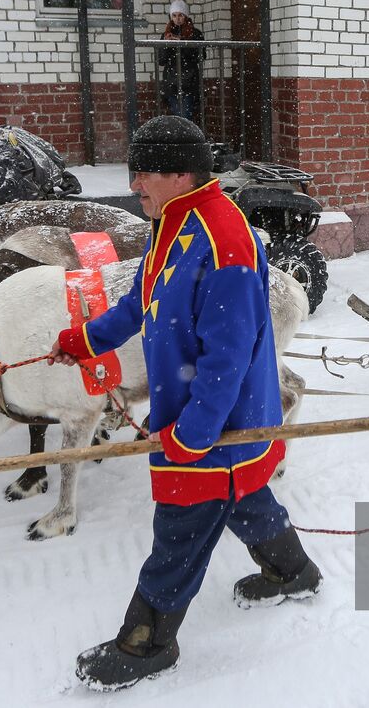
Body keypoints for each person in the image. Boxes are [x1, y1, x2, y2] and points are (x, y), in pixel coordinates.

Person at [52, 115, 321, 692]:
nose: (134, 184)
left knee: (179, 527)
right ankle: (293, 572)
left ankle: (147, 643)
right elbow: (141, 299)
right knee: (246, 496)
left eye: (142, 171)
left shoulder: (225, 241)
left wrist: (196, 432)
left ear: (178, 173)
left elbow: (228, 356)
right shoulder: (174, 226)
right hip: (199, 409)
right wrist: (88, 338)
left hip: (221, 418)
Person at [159, 0, 204, 123]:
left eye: (180, 15)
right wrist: (168, 44)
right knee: (178, 117)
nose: (177, 19)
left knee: (185, 117)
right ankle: (183, 141)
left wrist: (182, 43)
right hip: (172, 83)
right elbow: (161, 60)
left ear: (186, 16)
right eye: (174, 15)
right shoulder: (166, 34)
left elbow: (200, 56)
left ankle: (187, 141)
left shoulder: (195, 34)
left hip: (189, 82)